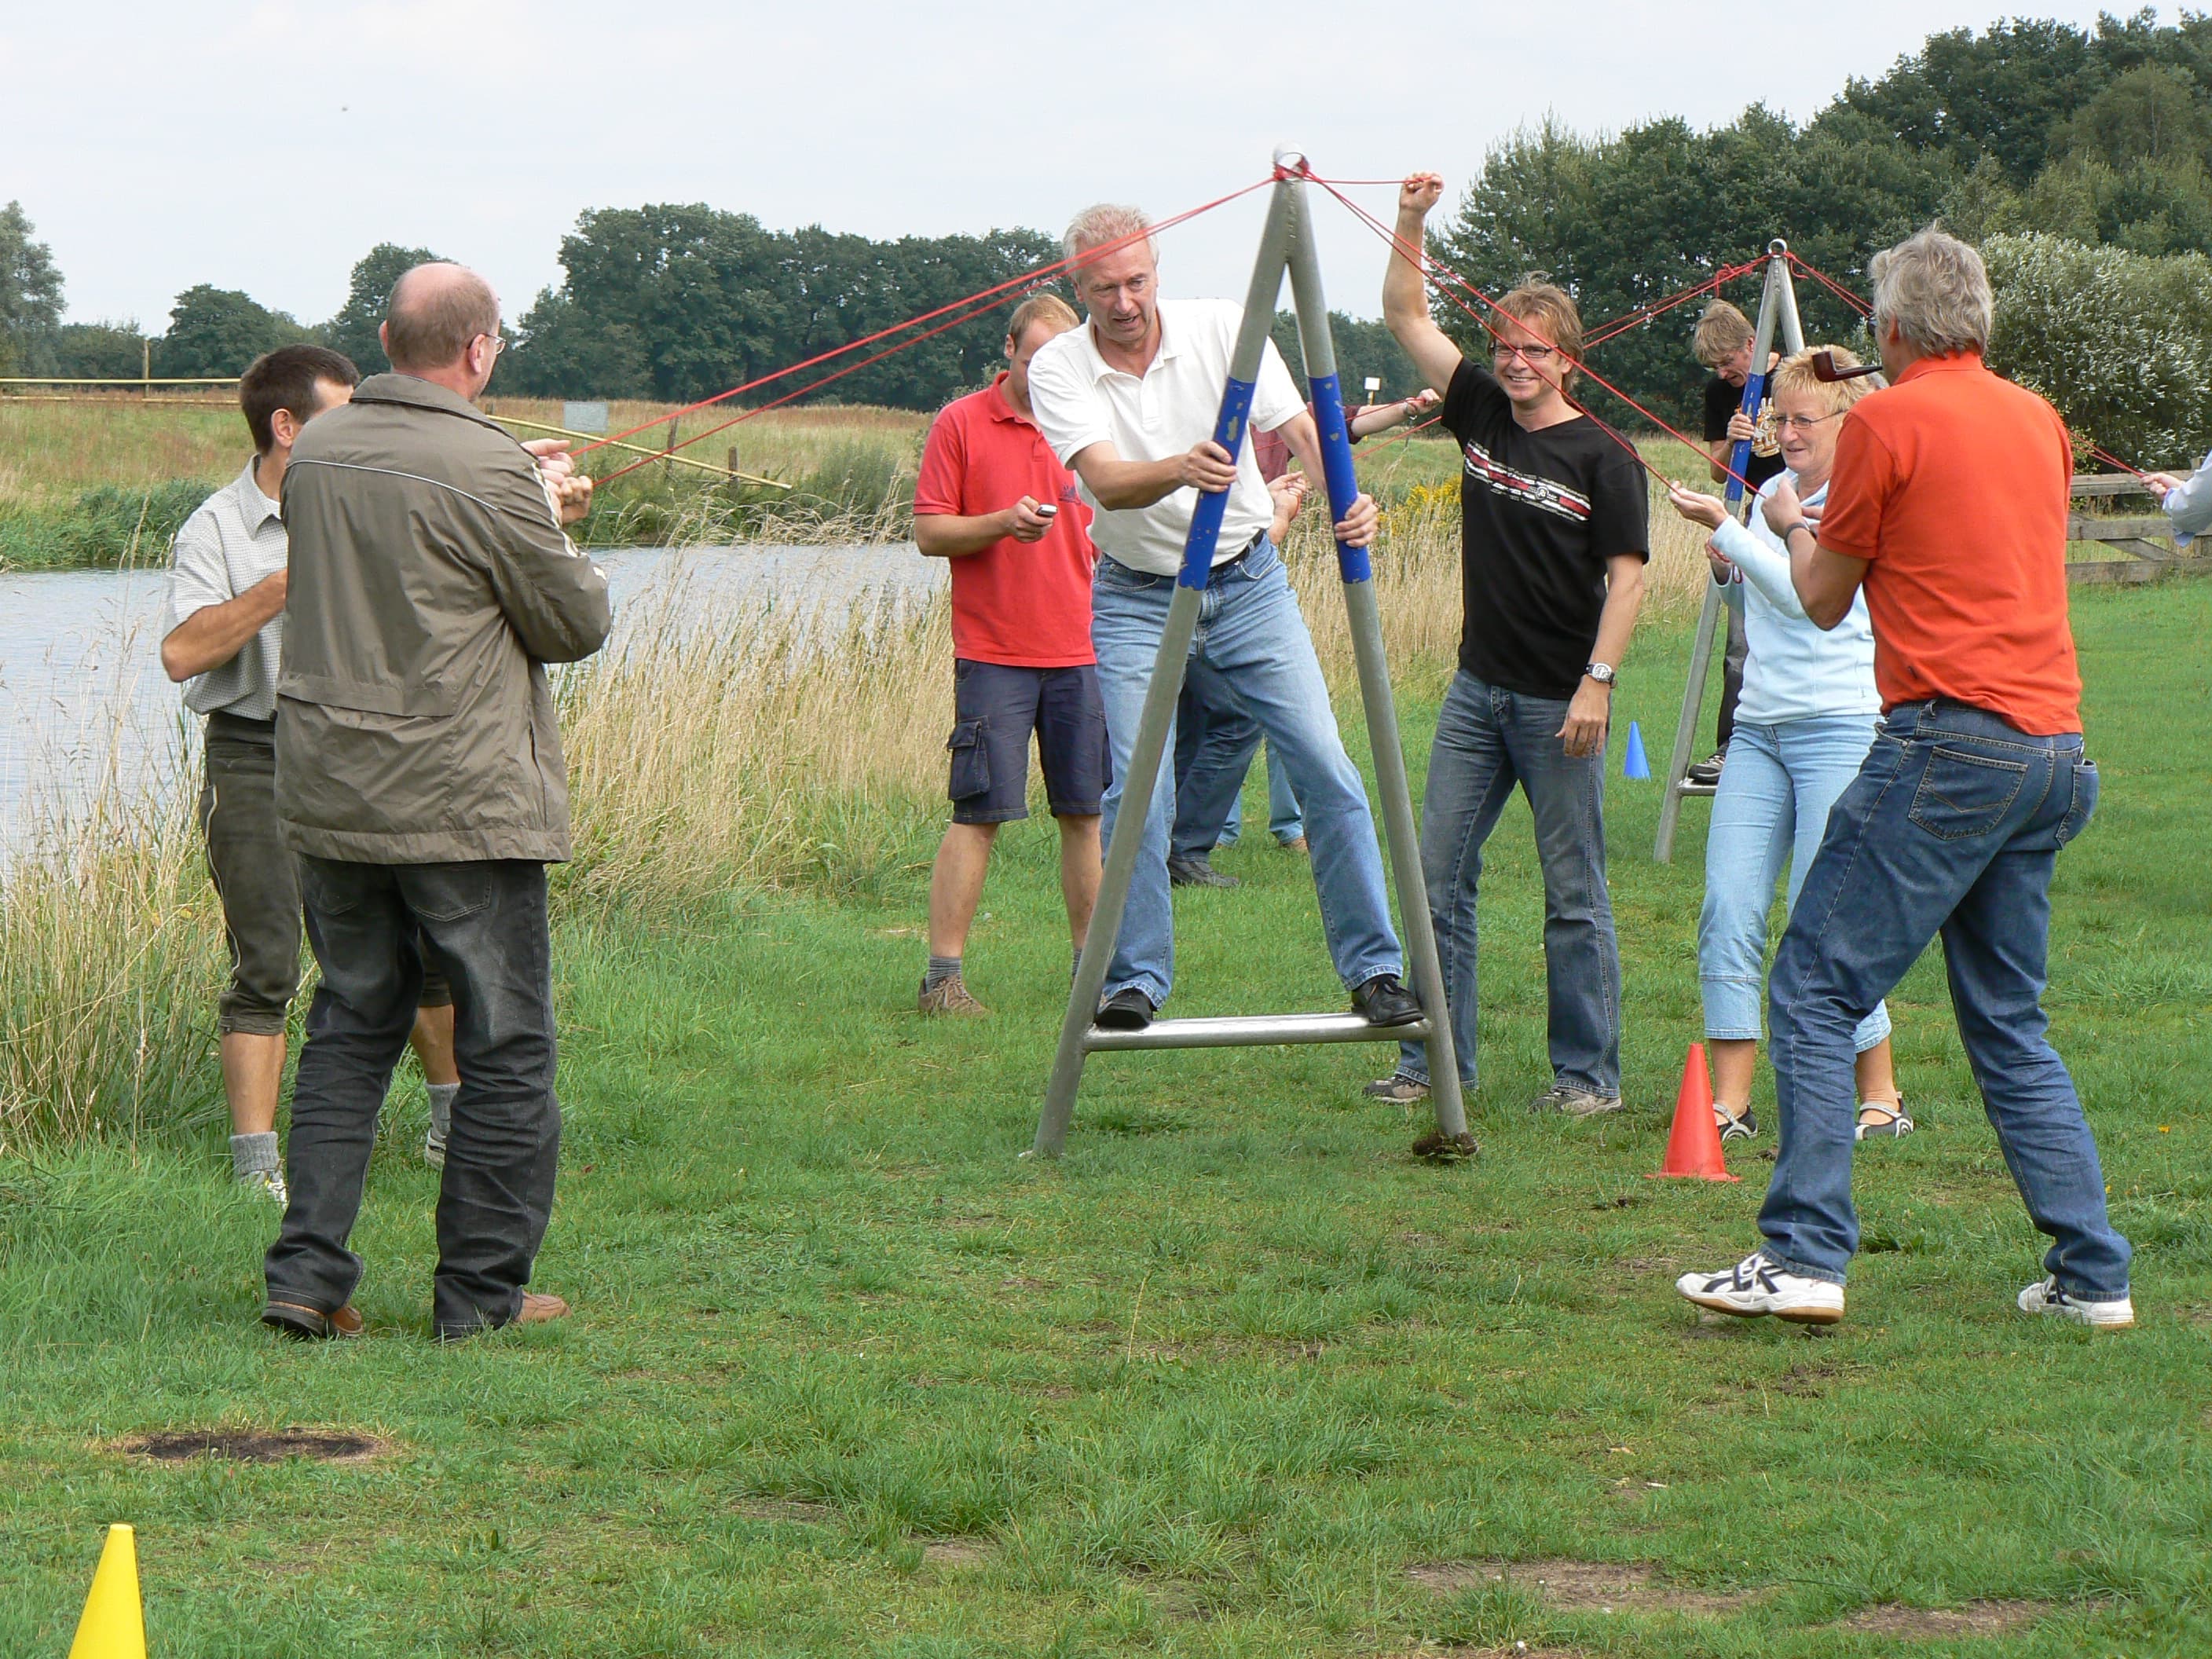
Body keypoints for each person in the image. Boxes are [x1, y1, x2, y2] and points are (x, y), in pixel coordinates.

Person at [1678, 229, 2133, 1330]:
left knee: (1813, 984)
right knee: (2008, 1020)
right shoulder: (2036, 418)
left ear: (1888, 328)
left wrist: (1784, 522)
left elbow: (1822, 597)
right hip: (2053, 749)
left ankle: (1801, 1257)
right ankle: (2092, 1277)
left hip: (1947, 742)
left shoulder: (1884, 421)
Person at [262, 262, 610, 1342]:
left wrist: (513, 487)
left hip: (332, 785)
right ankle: (479, 1294)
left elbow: (412, 529)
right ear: (480, 350)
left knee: (350, 1023)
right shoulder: (489, 464)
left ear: (384, 339)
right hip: (461, 796)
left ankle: (306, 1278)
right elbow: (573, 624)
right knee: (505, 1045)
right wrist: (548, 514)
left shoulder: (317, 451)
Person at [1025, 203, 1420, 1035]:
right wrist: (1182, 467)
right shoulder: (1059, 365)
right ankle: (1134, 979)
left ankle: (1375, 971)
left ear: (1156, 271)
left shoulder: (1221, 329)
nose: (1125, 303)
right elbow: (1106, 483)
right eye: (1104, 289)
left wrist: (1345, 500)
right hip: (1136, 595)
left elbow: (1301, 429)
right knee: (1136, 790)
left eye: (1136, 281)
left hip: (1247, 583)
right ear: (1077, 287)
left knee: (1325, 766)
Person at [1374, 172, 1648, 1119]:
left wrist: (1595, 684)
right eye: (1504, 346)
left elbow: (1627, 581)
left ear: (1568, 360)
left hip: (1557, 701)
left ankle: (1586, 1078)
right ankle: (1433, 1067)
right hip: (1474, 692)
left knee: (1572, 892)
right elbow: (1404, 313)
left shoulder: (1603, 457)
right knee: (1435, 879)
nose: (1515, 361)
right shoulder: (1481, 411)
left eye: (1534, 349)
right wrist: (1411, 220)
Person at [159, 345, 461, 1204]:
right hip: (253, 753)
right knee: (266, 964)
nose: (360, 431)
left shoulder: (374, 501)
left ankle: (452, 1127)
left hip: (368, 750)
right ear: (286, 427)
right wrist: (287, 583)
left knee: (419, 947)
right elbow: (181, 654)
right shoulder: (214, 527)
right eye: (343, 416)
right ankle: (256, 1171)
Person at [1663, 346, 1909, 1144]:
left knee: (1821, 914)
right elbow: (1761, 607)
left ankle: (1880, 1093)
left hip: (1841, 726)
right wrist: (1726, 567)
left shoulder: (1861, 504)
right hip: (1759, 731)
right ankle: (1729, 1104)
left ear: (1848, 425)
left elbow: (1812, 605)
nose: (1787, 433)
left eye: (1804, 419)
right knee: (1727, 906)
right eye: (1779, 419)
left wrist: (1727, 533)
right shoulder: (1773, 497)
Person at [912, 293, 1106, 1016]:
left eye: (1059, 363)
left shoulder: (1091, 424)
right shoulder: (961, 422)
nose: (1044, 375)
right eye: (1033, 362)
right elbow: (929, 532)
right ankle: (943, 982)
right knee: (979, 813)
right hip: (993, 652)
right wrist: (1000, 523)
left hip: (1083, 649)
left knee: (1085, 813)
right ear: (1008, 349)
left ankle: (1093, 976)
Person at [1173, 387, 1445, 884]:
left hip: (1246, 595)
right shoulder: (1195, 419)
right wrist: (1274, 508)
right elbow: (1226, 538)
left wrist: (1410, 407)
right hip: (1194, 589)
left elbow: (1350, 421)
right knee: (1226, 717)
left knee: (1223, 715)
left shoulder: (1280, 413)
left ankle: (1239, 833)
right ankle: (1186, 844)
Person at [1687, 300, 1782, 787]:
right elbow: (1715, 469)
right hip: (1755, 517)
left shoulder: (1793, 375)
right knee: (1741, 641)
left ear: (1752, 344)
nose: (1723, 373)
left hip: (1809, 511)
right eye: (1716, 367)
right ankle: (1733, 747)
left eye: (1728, 361)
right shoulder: (1719, 393)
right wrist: (1730, 440)